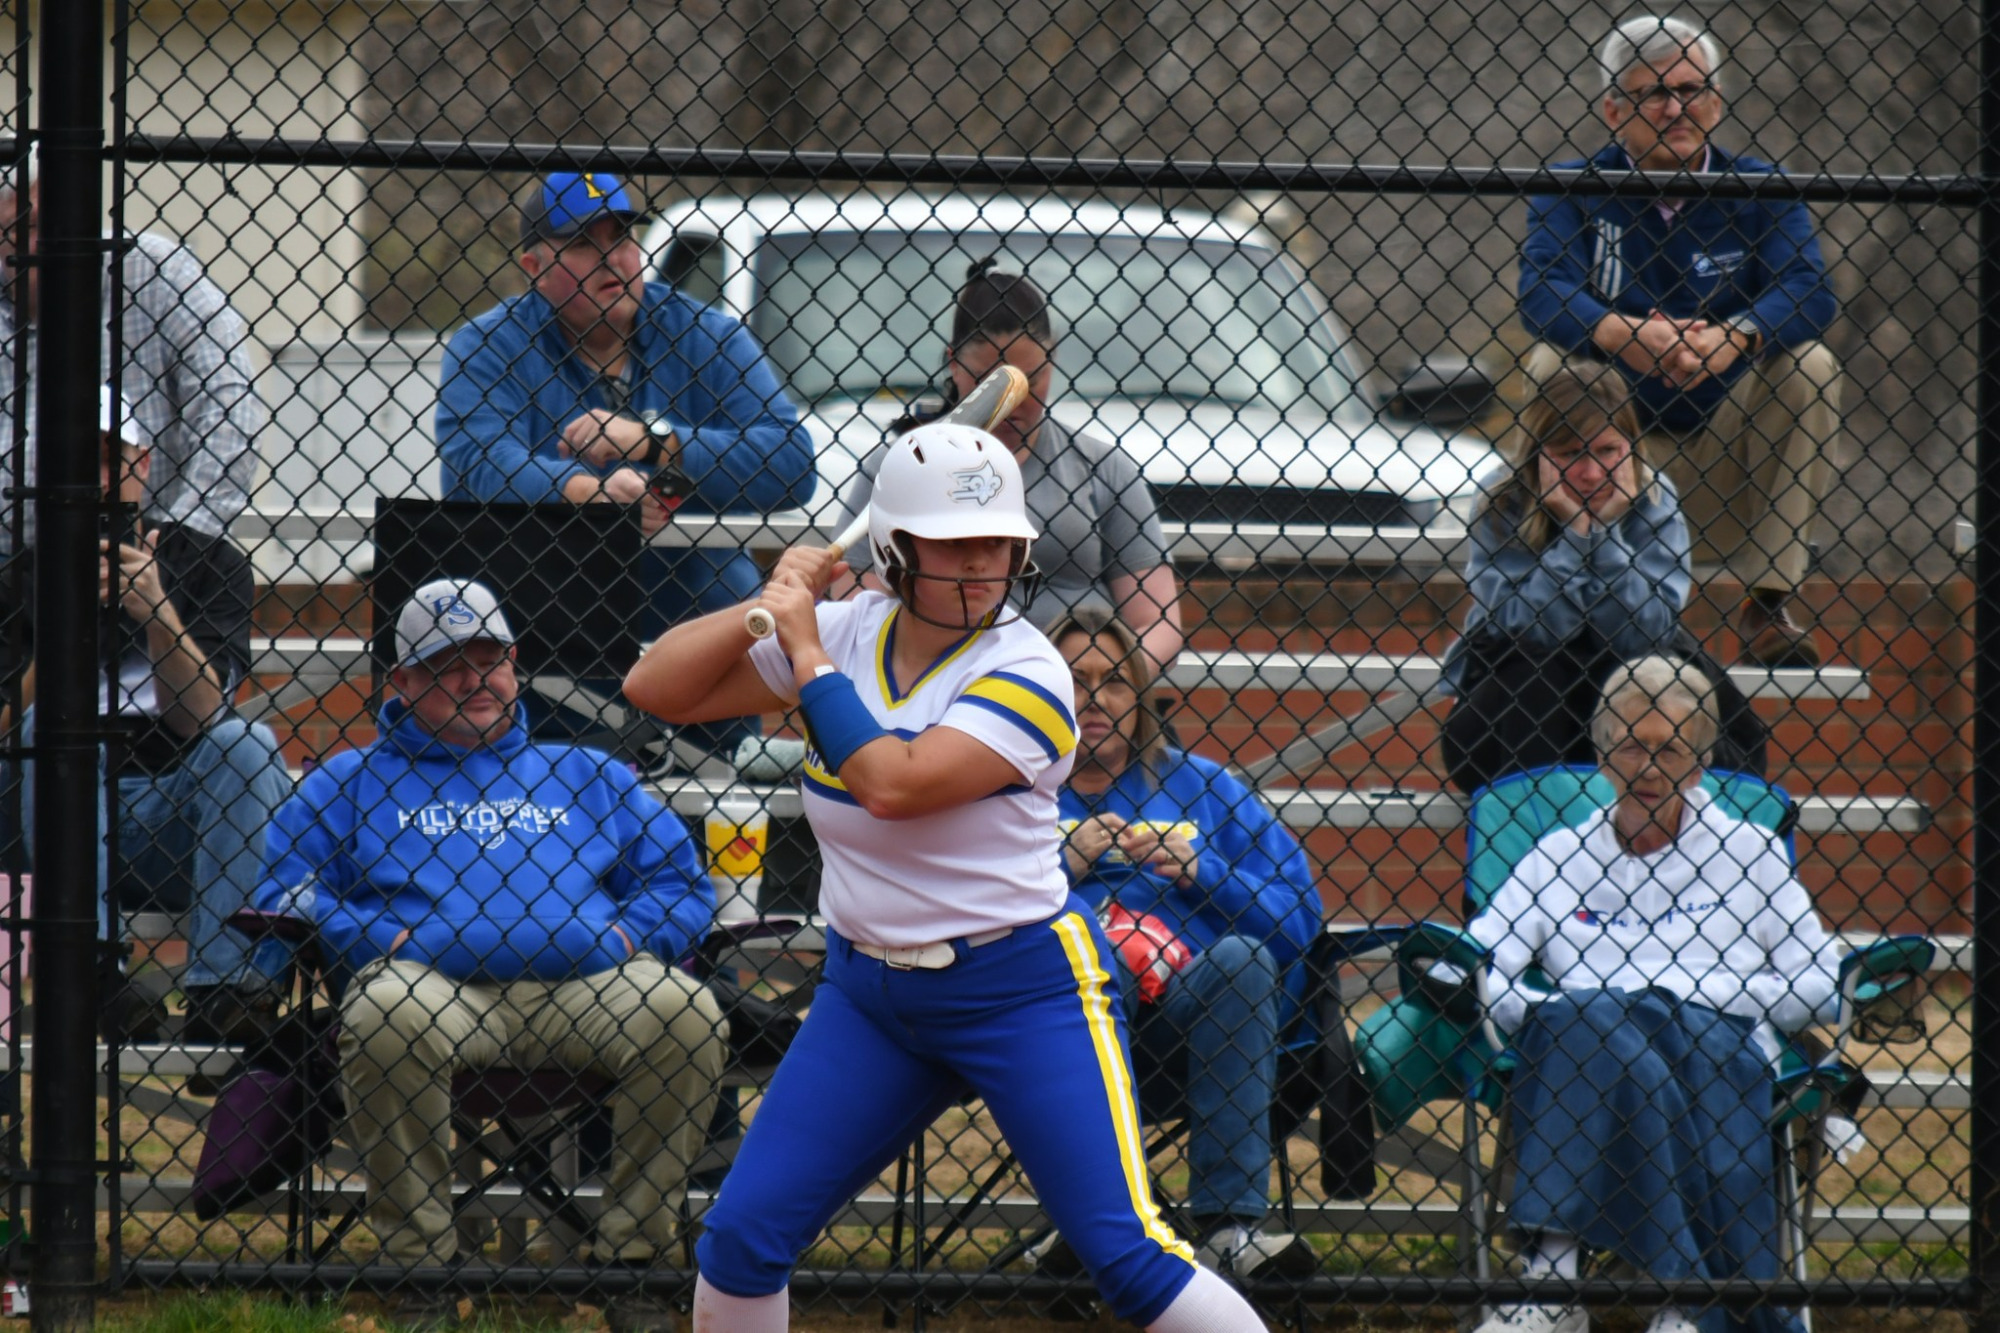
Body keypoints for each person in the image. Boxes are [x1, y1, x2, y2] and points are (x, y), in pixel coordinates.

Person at [626, 423, 1269, 1332]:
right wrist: (770, 604)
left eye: (1000, 545)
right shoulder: (847, 629)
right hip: (868, 995)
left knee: (1127, 1258)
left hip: (1020, 987)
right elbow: (656, 686)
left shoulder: (1030, 668)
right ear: (892, 548)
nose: (983, 567)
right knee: (740, 1237)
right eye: (956, 545)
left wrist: (805, 655)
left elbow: (895, 784)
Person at [251, 578, 725, 1322]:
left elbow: (685, 888)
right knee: (382, 1010)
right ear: (402, 682)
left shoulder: (590, 773)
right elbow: (288, 890)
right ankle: (421, 1269)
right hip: (435, 993)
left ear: (515, 662)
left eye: (490, 657)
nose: (475, 679)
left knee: (686, 1011)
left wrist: (627, 936)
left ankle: (634, 1261)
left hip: (589, 989)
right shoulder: (343, 782)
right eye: (446, 664)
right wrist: (385, 938)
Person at [1466, 655, 1836, 1333]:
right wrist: (1549, 1012)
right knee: (1587, 1024)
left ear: (1698, 760)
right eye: (1632, 744)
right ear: (1604, 752)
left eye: (1669, 748)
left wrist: (1683, 992)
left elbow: (1821, 987)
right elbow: (1482, 959)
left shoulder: (1749, 852)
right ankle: (1679, 1307)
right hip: (1584, 1045)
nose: (1648, 764)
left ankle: (1554, 1282)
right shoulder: (1557, 855)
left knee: (1591, 1021)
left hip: (1714, 1039)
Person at [435, 171, 816, 748]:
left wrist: (653, 442)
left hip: (696, 632)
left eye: (622, 238)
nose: (611, 258)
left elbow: (791, 463)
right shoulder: (488, 345)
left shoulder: (705, 332)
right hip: (551, 634)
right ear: (534, 267)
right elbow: (473, 466)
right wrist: (586, 493)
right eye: (584, 244)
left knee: (711, 813)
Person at [1518, 15, 1841, 667]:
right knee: (1551, 360)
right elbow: (1540, 291)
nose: (1676, 108)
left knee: (1810, 364)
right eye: (1653, 94)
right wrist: (1626, 334)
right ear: (1613, 109)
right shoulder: (1573, 186)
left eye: (1693, 90)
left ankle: (1768, 606)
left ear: (1717, 103)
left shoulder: (1760, 186)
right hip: (1612, 457)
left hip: (1729, 460)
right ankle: (1555, 584)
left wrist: (1733, 338)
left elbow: (1809, 289)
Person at [4, 388, 290, 1039]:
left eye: (112, 458)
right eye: (78, 461)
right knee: (44, 733)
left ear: (144, 464)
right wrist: (60, 626)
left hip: (174, 814)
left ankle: (227, 995)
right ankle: (89, 975)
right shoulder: (20, 574)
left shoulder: (208, 562)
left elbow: (202, 718)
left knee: (248, 743)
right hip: (46, 821)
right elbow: (5, 738)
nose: (98, 479)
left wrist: (158, 612)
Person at [1051, 606, 1322, 1281]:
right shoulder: (1009, 788)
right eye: (1075, 678)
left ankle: (1230, 1229)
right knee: (1090, 946)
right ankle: (1096, 1220)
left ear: (1141, 699)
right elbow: (966, 914)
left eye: (1114, 680)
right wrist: (1064, 866)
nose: (1095, 696)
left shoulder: (1204, 787)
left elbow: (1300, 921)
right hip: (1054, 1030)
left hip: (1192, 1025)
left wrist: (1208, 872)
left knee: (1244, 960)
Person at [839, 259, 1184, 674]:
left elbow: (1158, 623)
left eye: (1031, 379)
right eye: (991, 381)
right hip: (938, 684)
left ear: (1053, 361)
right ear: (953, 363)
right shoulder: (897, 469)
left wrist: (1091, 683)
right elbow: (855, 607)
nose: (1013, 402)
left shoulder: (1100, 469)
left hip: (1077, 699)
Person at [1440, 360, 1766, 794]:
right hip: (1514, 716)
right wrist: (1576, 536)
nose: (1592, 473)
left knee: (1676, 687)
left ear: (1630, 447)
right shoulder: (1502, 499)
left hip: (1625, 713)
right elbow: (1531, 630)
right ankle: (1535, 838)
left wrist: (1607, 533)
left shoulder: (1653, 495)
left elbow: (1643, 635)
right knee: (1538, 675)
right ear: (1539, 452)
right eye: (1571, 453)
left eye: (1607, 451)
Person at [0, 148, 265, 556]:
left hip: (140, 549)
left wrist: (184, 543)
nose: (43, 244)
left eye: (48, 222)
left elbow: (229, 406)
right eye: (20, 230)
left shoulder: (155, 272)